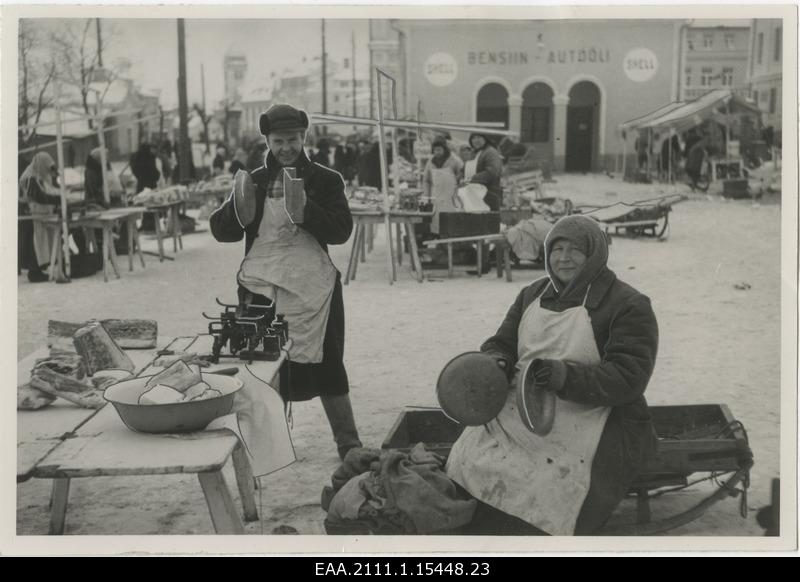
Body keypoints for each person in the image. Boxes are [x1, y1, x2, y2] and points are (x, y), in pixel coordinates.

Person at [446, 214, 659, 535]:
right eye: (557, 249)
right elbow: (500, 343)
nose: (563, 258)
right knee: (473, 455)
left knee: (551, 480)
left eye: (575, 250)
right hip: (524, 407)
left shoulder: (627, 304)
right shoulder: (533, 294)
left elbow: (629, 378)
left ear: (594, 255)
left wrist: (564, 377)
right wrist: (498, 362)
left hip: (599, 417)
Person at [210, 103, 362, 461]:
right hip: (262, 288)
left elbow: (341, 232)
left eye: (292, 139)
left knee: (329, 364)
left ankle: (349, 445)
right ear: (268, 141)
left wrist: (305, 210)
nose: (286, 148)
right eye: (278, 141)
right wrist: (238, 205)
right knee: (262, 369)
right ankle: (263, 449)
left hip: (315, 289)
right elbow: (221, 231)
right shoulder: (255, 181)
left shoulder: (326, 180)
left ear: (304, 137)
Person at [18, 152, 66, 282]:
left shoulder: (42, 176)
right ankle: (35, 272)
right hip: (31, 216)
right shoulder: (29, 177)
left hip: (42, 215)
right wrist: (59, 199)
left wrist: (56, 176)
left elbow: (53, 188)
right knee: (36, 244)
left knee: (46, 241)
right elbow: (40, 197)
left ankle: (46, 266)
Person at [423, 136, 464, 235]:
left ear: (445, 149)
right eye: (435, 150)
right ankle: (440, 244)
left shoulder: (455, 160)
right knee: (437, 225)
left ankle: (451, 245)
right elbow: (426, 181)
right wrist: (426, 198)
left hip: (451, 197)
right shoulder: (430, 162)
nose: (437, 152)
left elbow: (463, 173)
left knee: (451, 224)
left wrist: (457, 179)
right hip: (436, 197)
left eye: (439, 149)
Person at [466, 133, 503, 211]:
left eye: (479, 137)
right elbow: (467, 168)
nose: (476, 140)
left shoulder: (490, 152)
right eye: (474, 138)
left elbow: (492, 172)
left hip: (489, 194)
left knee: (488, 220)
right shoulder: (475, 153)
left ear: (485, 138)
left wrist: (472, 178)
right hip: (476, 194)